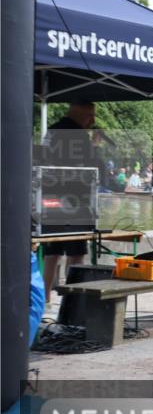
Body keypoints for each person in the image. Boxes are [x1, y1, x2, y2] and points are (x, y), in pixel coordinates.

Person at [39, 99, 100, 304]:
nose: (93, 120)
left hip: (50, 199)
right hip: (75, 201)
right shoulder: (79, 135)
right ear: (83, 113)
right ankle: (70, 302)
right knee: (76, 254)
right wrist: (96, 146)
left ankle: (45, 300)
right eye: (91, 115)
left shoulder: (52, 131)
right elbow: (90, 164)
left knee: (52, 252)